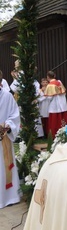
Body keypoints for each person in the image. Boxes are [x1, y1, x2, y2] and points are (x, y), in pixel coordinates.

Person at [0, 78, 21, 209]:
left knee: (4, 167)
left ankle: (8, 197)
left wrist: (7, 125)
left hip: (3, 138)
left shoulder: (7, 96)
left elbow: (15, 115)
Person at [45, 70, 67, 138]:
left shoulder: (50, 85)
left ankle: (54, 135)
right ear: (54, 75)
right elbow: (63, 92)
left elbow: (49, 98)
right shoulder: (59, 82)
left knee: (54, 121)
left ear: (48, 77)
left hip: (54, 106)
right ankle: (64, 133)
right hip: (62, 104)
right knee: (62, 119)